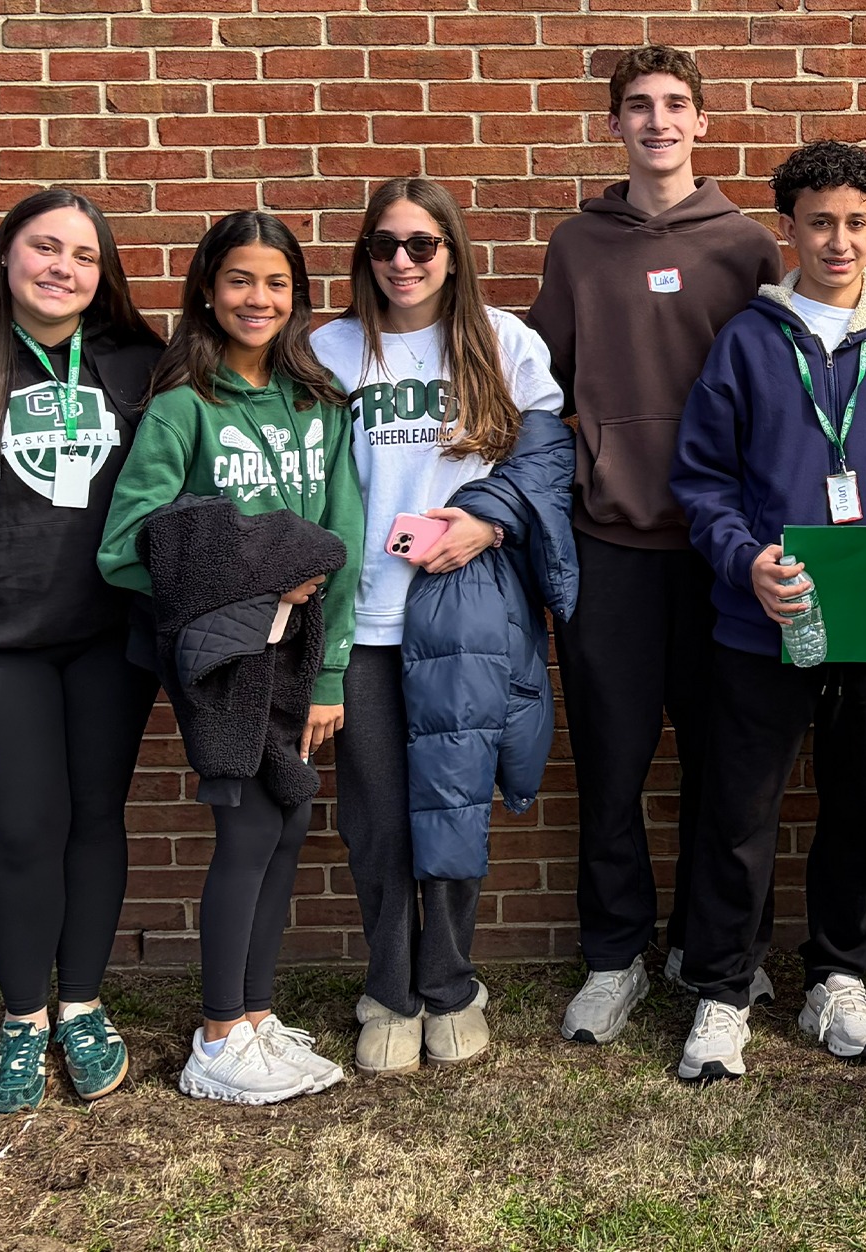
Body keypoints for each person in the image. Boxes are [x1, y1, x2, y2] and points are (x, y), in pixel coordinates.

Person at [667, 140, 866, 1080]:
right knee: (739, 807)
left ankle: (840, 976)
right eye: (819, 222)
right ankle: (722, 989)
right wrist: (744, 559)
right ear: (788, 228)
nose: (838, 241)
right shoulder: (749, 340)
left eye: (856, 222)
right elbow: (702, 480)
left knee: (855, 804)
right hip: (764, 616)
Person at [525, 45, 786, 1047]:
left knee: (730, 770)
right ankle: (612, 956)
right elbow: (543, 387)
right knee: (613, 765)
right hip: (611, 546)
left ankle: (721, 953)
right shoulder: (577, 245)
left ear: (704, 122)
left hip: (726, 556)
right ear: (616, 124)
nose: (658, 120)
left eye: (676, 104)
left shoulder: (748, 248)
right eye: (639, 105)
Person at [0, 188, 165, 1116]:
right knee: (21, 832)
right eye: (45, 247)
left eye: (85, 256)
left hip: (107, 639)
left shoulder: (141, 365)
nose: (64, 269)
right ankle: (22, 1020)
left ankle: (82, 1006)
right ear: (6, 255)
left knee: (95, 820)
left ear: (104, 274)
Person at [99, 210, 362, 1106]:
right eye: (241, 279)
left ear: (298, 296)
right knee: (247, 828)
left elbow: (344, 542)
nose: (259, 298)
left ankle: (254, 1015)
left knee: (286, 822)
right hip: (221, 658)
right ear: (209, 290)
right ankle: (216, 1037)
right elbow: (127, 544)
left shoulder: (317, 404)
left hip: (303, 655)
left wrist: (330, 673)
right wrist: (254, 585)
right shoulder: (182, 407)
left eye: (277, 282)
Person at [311, 177, 571, 1076]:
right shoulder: (330, 350)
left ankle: (452, 981)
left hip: (465, 610)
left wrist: (490, 518)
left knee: (455, 809)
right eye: (385, 245)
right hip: (362, 617)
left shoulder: (504, 342)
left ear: (452, 251)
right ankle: (389, 986)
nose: (404, 261)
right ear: (365, 257)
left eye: (423, 244)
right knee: (376, 818)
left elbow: (548, 453)